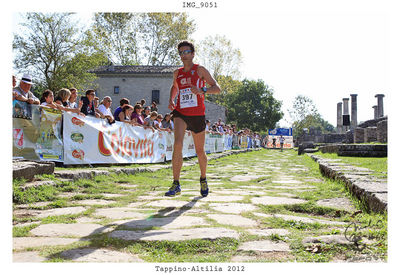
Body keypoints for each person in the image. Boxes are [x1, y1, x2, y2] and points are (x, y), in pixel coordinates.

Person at [165, 40, 221, 197]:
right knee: (177, 143)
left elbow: (217, 88)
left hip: (197, 114)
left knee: (199, 150)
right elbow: (175, 87)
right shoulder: (177, 73)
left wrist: (202, 90)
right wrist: (171, 99)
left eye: (186, 52)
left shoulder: (200, 70)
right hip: (181, 112)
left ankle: (203, 178)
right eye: (181, 53)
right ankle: (176, 183)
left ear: (193, 54)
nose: (184, 55)